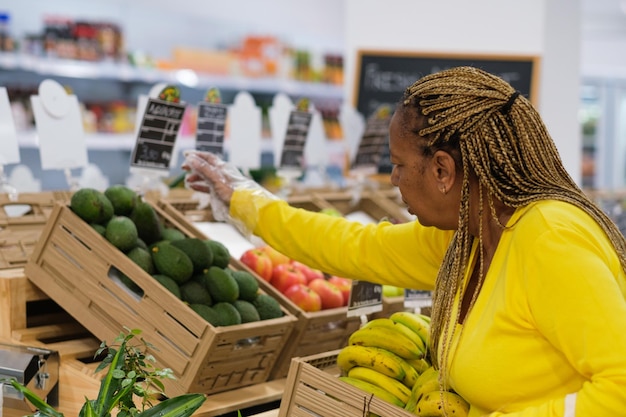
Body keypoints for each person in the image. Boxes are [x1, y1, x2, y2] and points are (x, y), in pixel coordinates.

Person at [182, 66, 626, 416]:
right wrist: (243, 200)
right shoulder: (469, 239)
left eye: (398, 165)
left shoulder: (550, 238)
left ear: (442, 171)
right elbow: (355, 245)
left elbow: (621, 387)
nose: (392, 180)